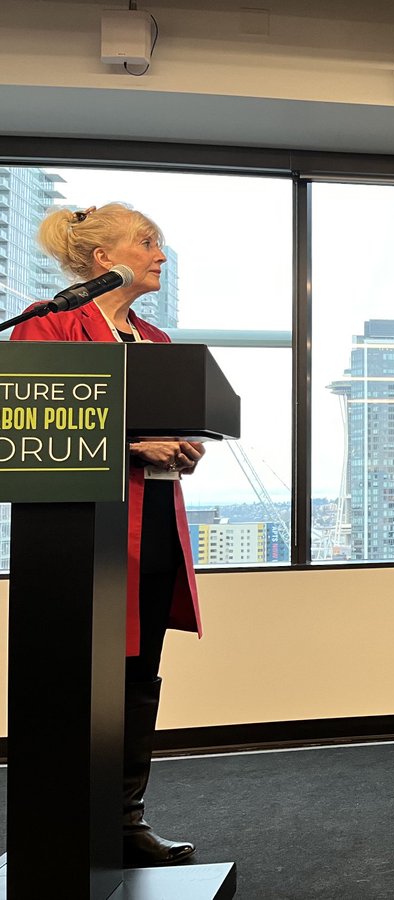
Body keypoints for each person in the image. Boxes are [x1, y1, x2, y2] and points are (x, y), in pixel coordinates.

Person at [12, 202, 204, 866]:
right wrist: (132, 448)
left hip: (153, 530)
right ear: (103, 260)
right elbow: (38, 432)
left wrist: (180, 448)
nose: (160, 254)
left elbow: (164, 429)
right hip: (77, 538)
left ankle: (125, 820)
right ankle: (71, 819)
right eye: (148, 242)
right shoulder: (49, 327)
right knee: (81, 675)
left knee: (138, 674)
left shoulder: (156, 342)